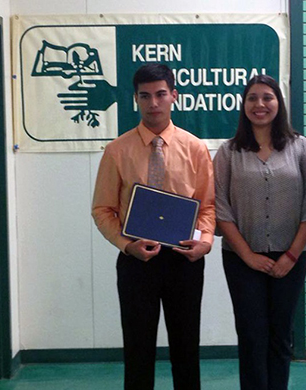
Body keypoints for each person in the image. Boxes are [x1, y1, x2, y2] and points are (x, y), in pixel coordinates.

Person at [92, 63, 214, 390]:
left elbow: (208, 206)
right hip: (136, 261)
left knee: (186, 349)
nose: (153, 103)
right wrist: (125, 244)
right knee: (137, 349)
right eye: (145, 96)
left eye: (161, 94)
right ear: (135, 99)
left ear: (174, 95)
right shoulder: (117, 151)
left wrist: (204, 243)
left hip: (184, 261)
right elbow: (102, 209)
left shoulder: (195, 148)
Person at [214, 74, 306, 390]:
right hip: (241, 259)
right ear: (243, 105)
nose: (259, 105)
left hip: (292, 258)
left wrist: (291, 254)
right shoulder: (228, 152)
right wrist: (247, 255)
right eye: (252, 98)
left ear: (279, 103)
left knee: (280, 335)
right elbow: (221, 208)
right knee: (251, 335)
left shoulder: (301, 148)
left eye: (267, 97)